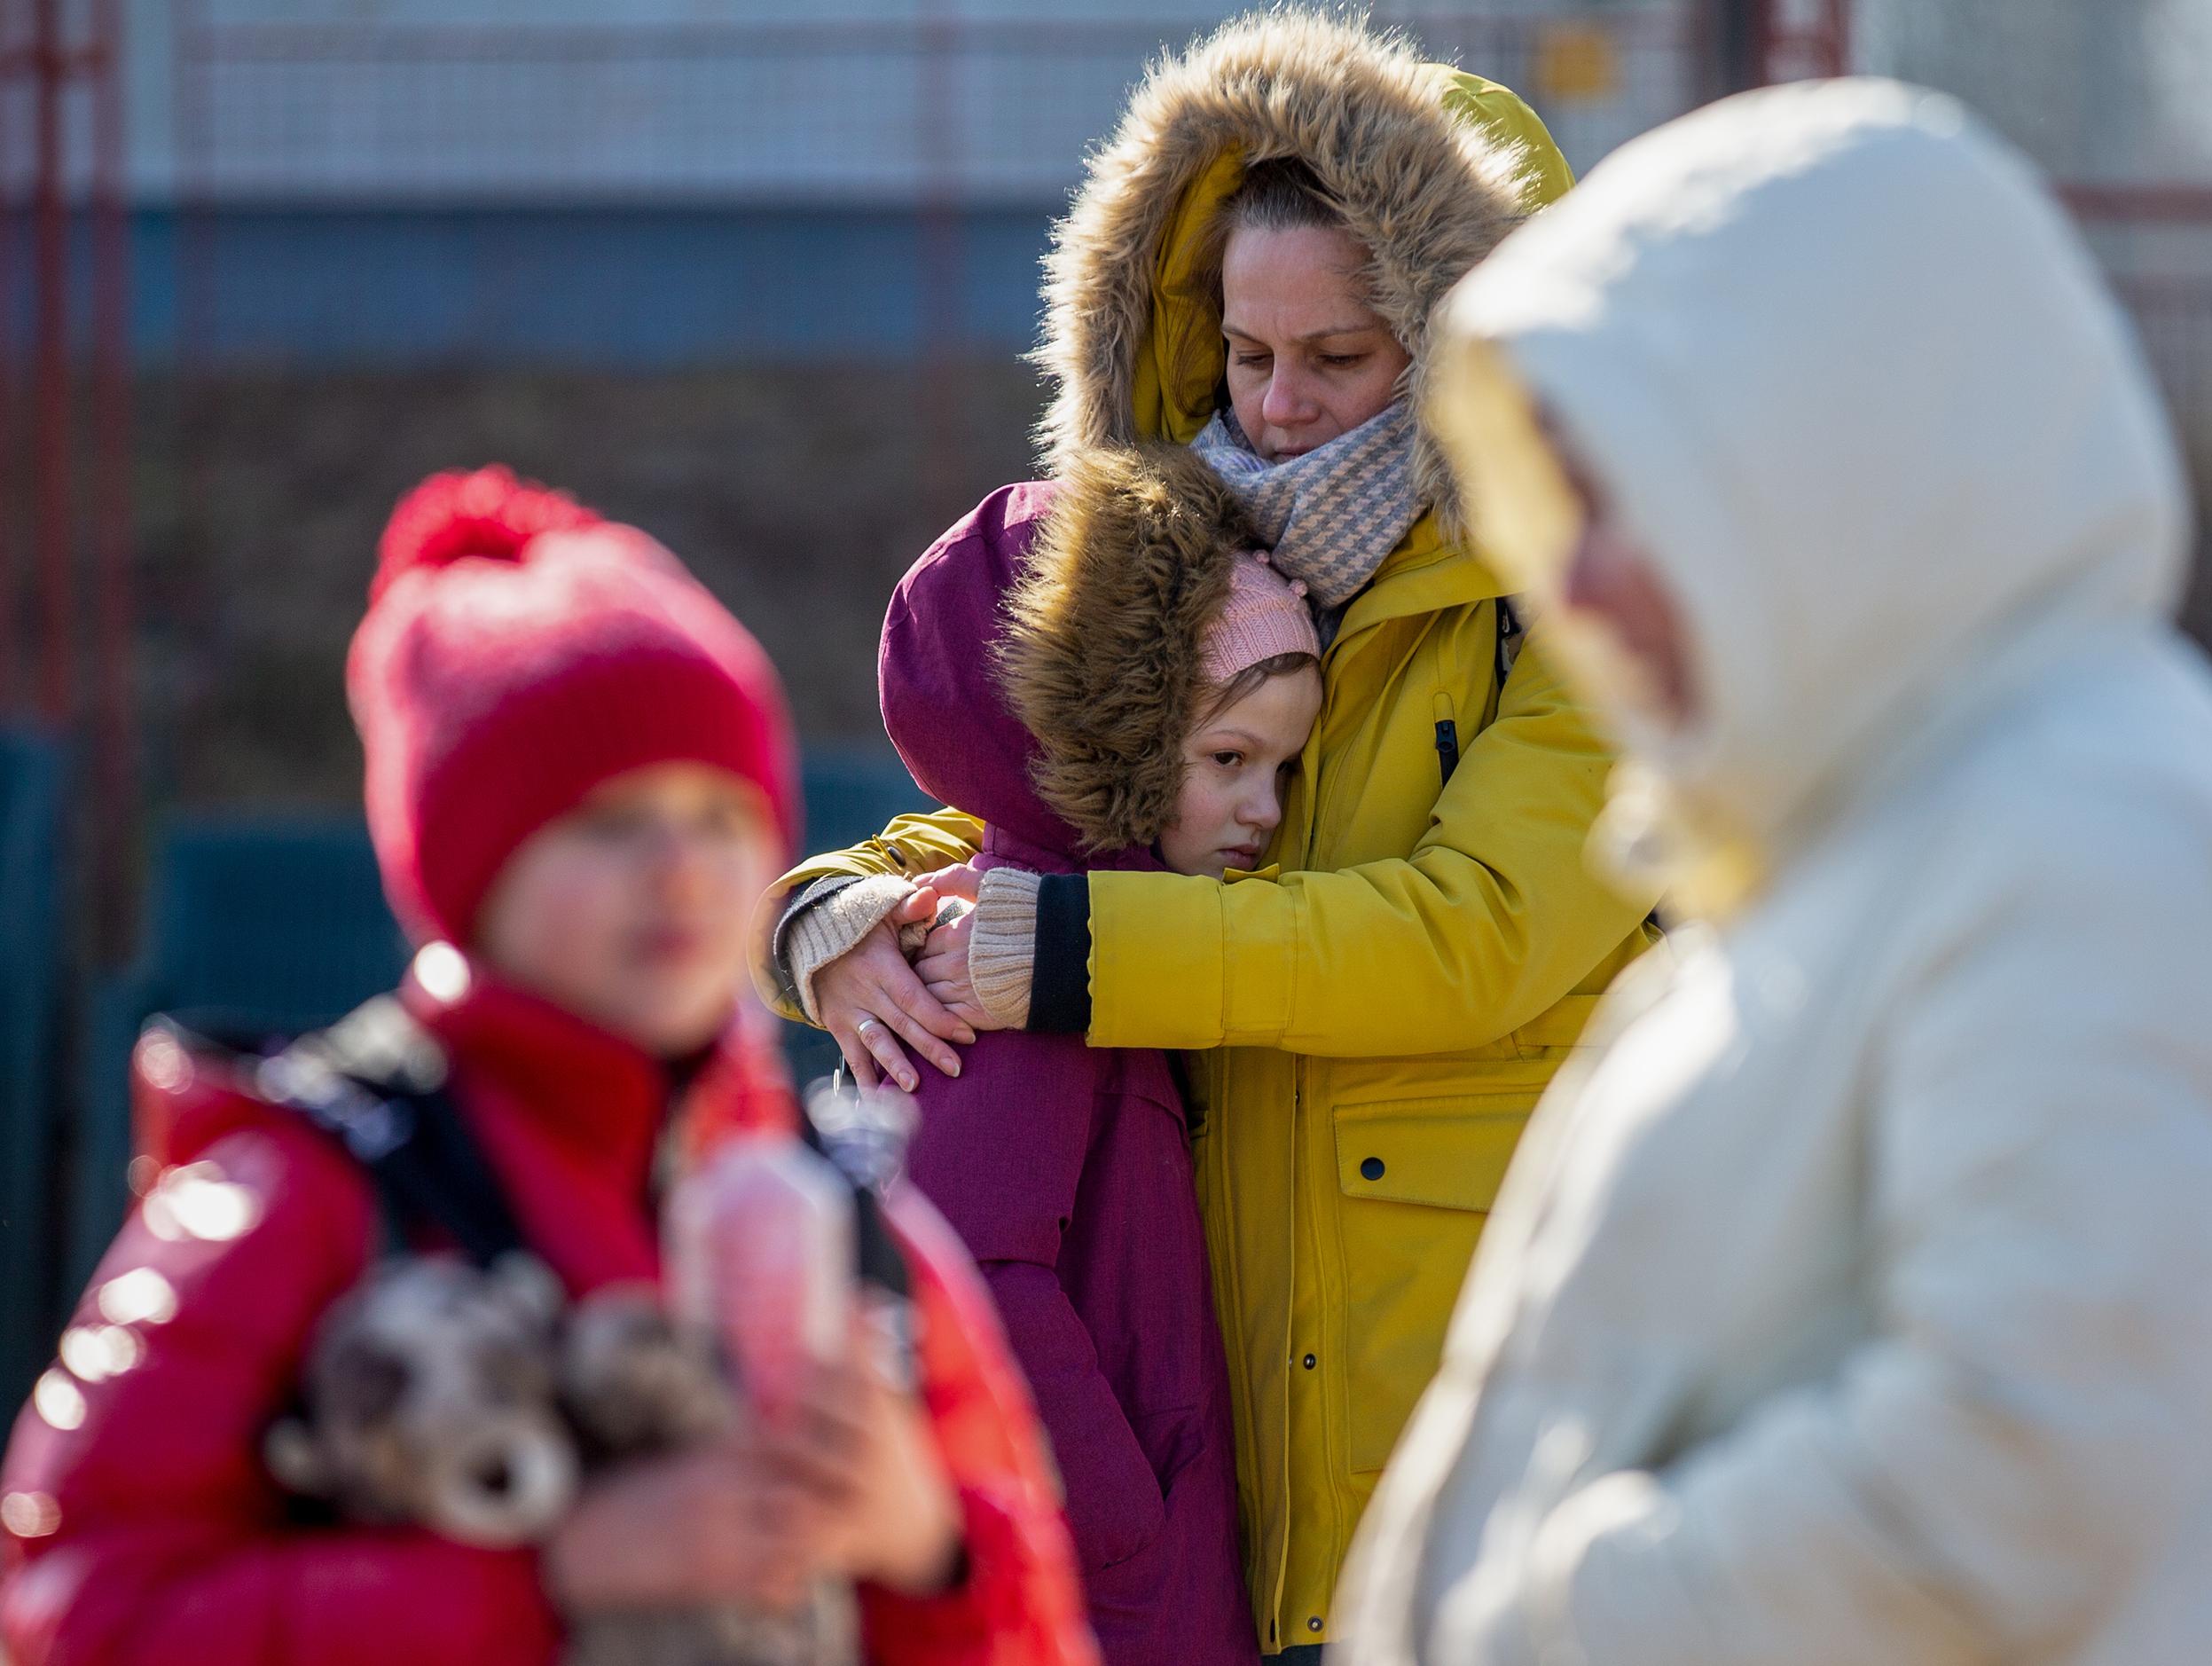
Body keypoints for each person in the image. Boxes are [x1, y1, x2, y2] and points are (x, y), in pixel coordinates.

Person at [1332, 79, 2212, 1665]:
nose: (1571, 576)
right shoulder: (1854, 817)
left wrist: (1552, 1624)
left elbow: (2016, 1468)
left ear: (1831, 449)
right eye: (1563, 501)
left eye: (1636, 491)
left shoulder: (2089, 817)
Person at [750, 13, 1656, 1654]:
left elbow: (1468, 938)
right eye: (1248, 353)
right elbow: (1037, 807)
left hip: (1482, 1421)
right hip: (1226, 1419)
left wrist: (1074, 956)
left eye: (1342, 357)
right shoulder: (1208, 566)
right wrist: (830, 916)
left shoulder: (1583, 607)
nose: (1283, 405)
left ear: (1466, 342)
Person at [0, 468, 1098, 1666]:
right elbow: (75, 1614)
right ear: (471, 867)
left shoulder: (849, 1232)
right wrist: (552, 1576)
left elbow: (1037, 1631)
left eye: (721, 817)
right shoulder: (300, 1195)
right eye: (609, 820)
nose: (680, 867)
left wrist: (926, 1547)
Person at [855, 444, 1321, 1663]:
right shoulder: (1009, 967)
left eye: (1283, 766)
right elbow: (970, 1276)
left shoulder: (1104, 943)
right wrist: (1124, 1529)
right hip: (1110, 1602)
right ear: (1103, 737)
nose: (1264, 809)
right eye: (1228, 759)